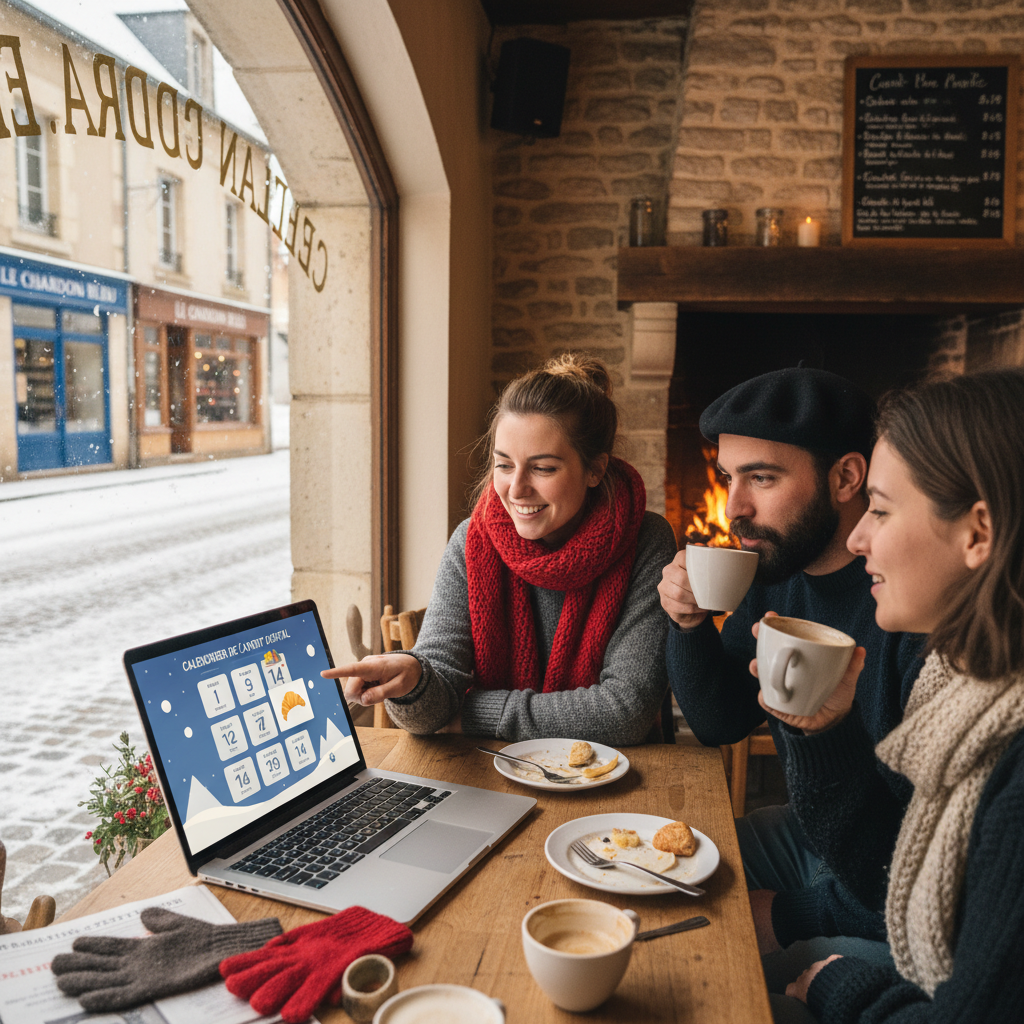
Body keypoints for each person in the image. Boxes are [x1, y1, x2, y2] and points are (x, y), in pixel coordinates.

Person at [766, 368, 1024, 1022]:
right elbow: (911, 878)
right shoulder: (966, 685)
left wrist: (839, 988)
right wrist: (826, 737)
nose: (857, 539)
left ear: (979, 533)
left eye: (879, 510)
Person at [658, 368, 925, 973]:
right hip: (813, 835)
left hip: (890, 889)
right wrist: (688, 625)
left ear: (846, 477)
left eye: (764, 478)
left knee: (725, 972)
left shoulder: (911, 604)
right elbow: (721, 719)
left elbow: (934, 877)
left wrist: (788, 916)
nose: (735, 508)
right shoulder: (779, 575)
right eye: (730, 478)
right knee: (654, 880)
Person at [323, 353, 677, 744]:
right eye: (504, 465)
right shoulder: (471, 543)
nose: (516, 488)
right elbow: (432, 703)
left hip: (616, 777)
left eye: (543, 468)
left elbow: (623, 713)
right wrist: (414, 679)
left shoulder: (645, 540)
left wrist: (471, 713)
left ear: (594, 469)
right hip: (500, 770)